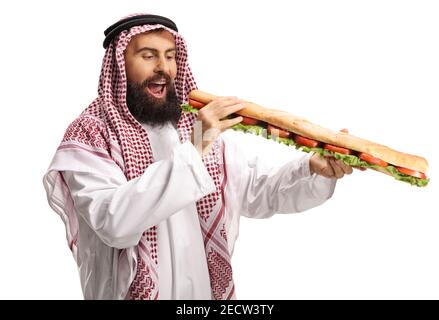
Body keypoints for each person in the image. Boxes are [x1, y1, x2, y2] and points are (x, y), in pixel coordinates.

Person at [43, 14, 353, 300]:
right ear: (120, 64)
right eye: (148, 55)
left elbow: (259, 193)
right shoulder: (90, 134)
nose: (163, 67)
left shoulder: (194, 128)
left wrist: (313, 169)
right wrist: (195, 145)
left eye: (170, 56)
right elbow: (113, 221)